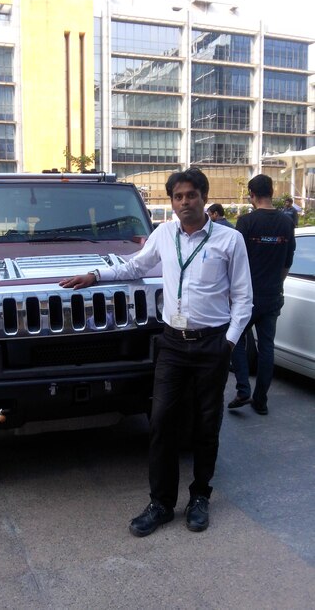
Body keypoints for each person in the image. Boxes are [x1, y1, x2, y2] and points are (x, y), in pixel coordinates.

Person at [60, 168, 252, 536]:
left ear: (203, 197)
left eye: (191, 195)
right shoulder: (164, 234)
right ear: (172, 201)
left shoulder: (229, 240)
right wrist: (95, 276)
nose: (184, 202)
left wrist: (229, 341)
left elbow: (243, 297)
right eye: (177, 197)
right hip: (174, 344)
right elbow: (135, 266)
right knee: (161, 422)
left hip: (213, 343)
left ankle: (200, 497)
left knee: (206, 424)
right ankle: (161, 503)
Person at [228, 175, 296, 415]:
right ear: (272, 191)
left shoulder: (246, 222)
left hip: (247, 296)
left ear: (251, 194)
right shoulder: (287, 223)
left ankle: (243, 389)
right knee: (267, 347)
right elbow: (287, 262)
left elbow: (235, 261)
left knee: (235, 339)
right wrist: (277, 283)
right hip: (272, 295)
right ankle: (261, 400)